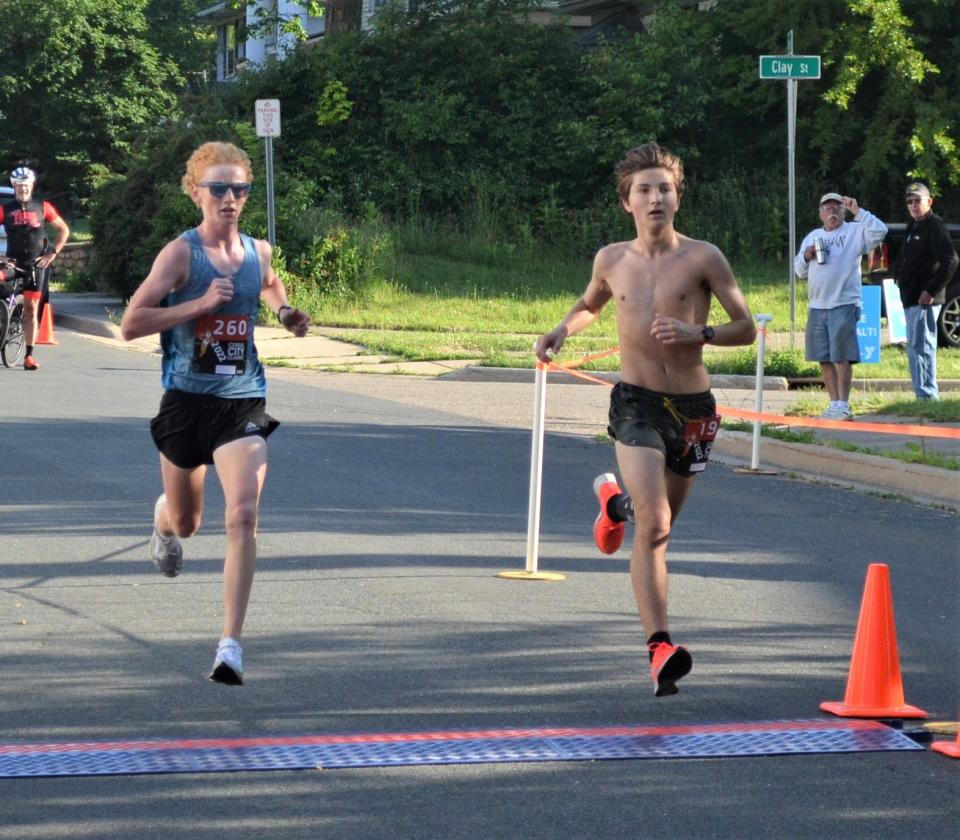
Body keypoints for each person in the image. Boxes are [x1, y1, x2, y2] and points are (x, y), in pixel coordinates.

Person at [535, 142, 756, 698]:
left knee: (657, 526)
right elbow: (591, 304)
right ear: (626, 202)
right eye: (644, 190)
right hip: (636, 403)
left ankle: (616, 505)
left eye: (664, 188)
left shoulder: (705, 257)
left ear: (677, 197)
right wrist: (563, 329)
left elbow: (746, 326)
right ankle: (659, 647)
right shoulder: (612, 259)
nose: (655, 197)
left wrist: (697, 333)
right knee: (655, 526)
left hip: (695, 411)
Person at [120, 141, 311, 685]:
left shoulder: (259, 251)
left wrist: (286, 312)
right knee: (188, 522)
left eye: (240, 189)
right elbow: (132, 323)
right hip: (185, 401)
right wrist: (198, 306)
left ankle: (230, 645)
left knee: (243, 515)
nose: (230, 199)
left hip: (241, 401)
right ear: (196, 193)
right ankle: (163, 521)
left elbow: (269, 285)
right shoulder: (181, 255)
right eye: (219, 189)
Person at [794, 193, 887, 420]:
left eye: (837, 207)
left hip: (844, 303)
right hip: (817, 306)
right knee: (823, 357)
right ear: (820, 214)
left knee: (842, 356)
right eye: (827, 208)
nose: (832, 212)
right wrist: (806, 256)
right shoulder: (813, 236)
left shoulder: (853, 231)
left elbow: (880, 232)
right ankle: (833, 403)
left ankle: (844, 405)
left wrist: (859, 211)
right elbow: (798, 271)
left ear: (844, 211)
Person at [893, 182, 959, 400]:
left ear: (929, 201)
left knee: (922, 347)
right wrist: (898, 275)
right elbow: (906, 256)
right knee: (914, 347)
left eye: (917, 201)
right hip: (910, 297)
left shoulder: (934, 225)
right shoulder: (913, 226)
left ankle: (928, 396)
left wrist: (931, 290)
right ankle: (921, 394)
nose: (913, 205)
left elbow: (950, 259)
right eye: (909, 202)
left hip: (925, 300)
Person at [0, 165, 70, 371]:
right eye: (19, 185)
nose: (23, 189)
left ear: (32, 185)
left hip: (35, 265)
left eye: (26, 185)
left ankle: (29, 356)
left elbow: (63, 230)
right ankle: (4, 312)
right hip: (12, 262)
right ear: (14, 186)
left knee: (31, 310)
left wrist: (52, 253)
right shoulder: (6, 209)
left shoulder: (43, 207)